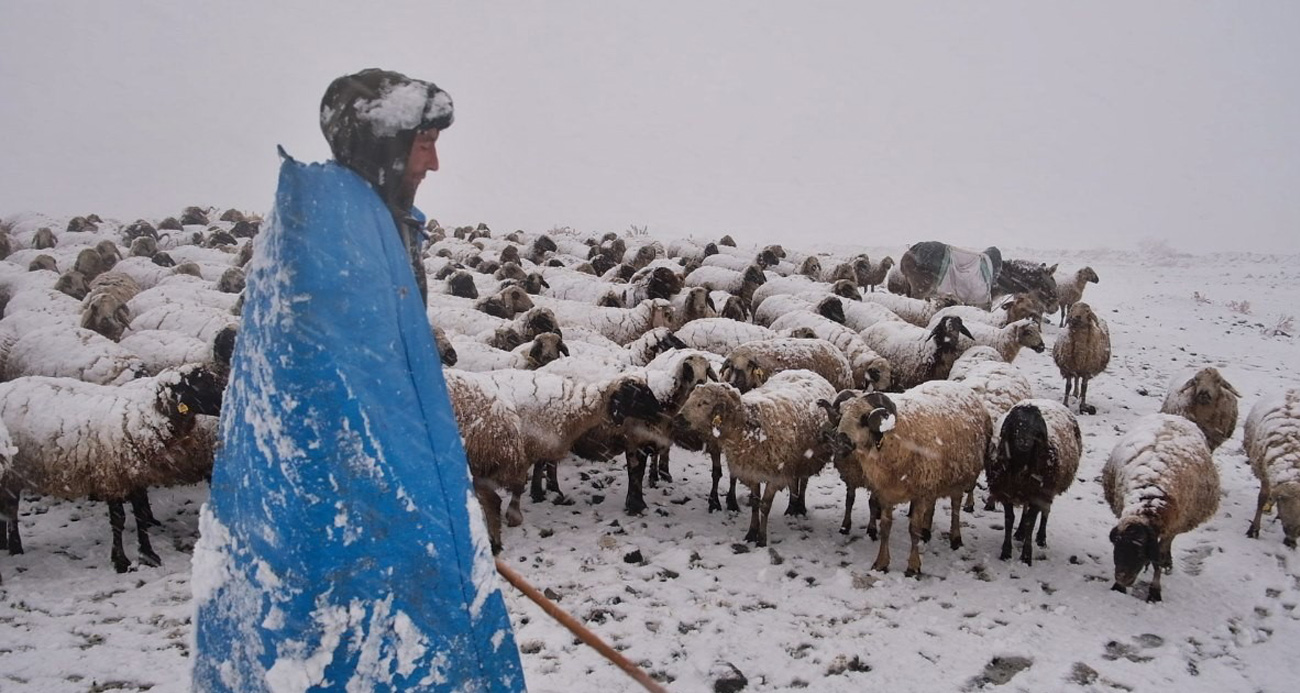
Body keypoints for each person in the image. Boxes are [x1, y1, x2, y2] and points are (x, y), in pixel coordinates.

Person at [191, 69, 526, 692]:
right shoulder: (333, 238)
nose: (434, 163)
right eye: (424, 143)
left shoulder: (369, 225)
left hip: (366, 496)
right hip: (341, 509)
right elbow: (345, 398)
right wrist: (414, 510)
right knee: (344, 645)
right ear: (384, 147)